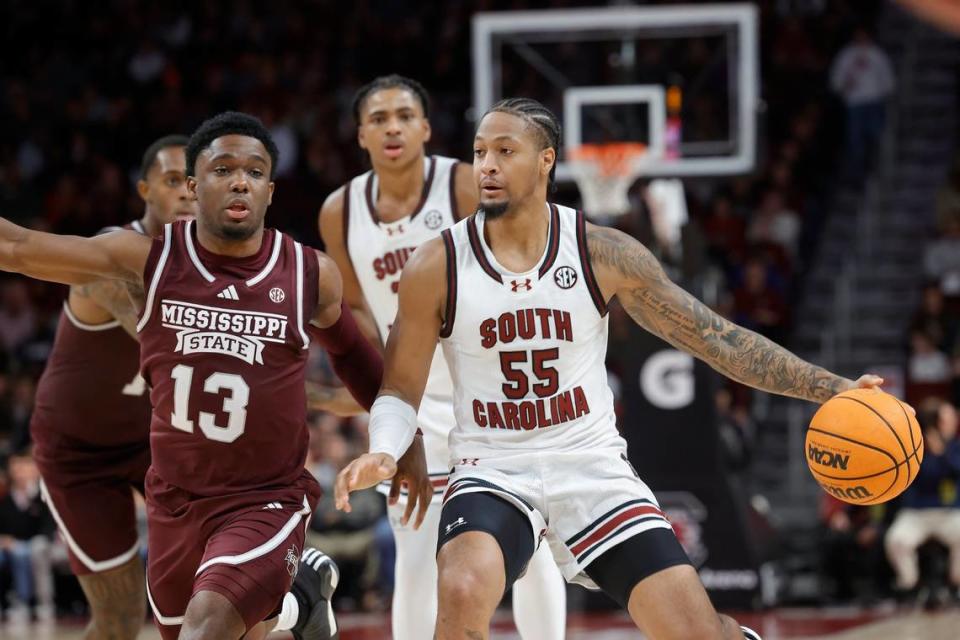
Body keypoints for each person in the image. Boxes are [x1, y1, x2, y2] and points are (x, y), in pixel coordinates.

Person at [334, 98, 891, 640]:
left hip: (591, 468)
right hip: (491, 468)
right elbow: (398, 388)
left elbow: (717, 340)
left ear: (546, 160)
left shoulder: (601, 252)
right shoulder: (436, 264)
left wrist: (831, 387)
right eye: (480, 152)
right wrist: (384, 447)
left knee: (693, 630)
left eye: (506, 150)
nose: (488, 166)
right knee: (459, 589)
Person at [0, 111, 432, 640]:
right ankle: (298, 603)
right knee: (222, 629)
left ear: (270, 190)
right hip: (175, 499)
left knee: (206, 630)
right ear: (192, 184)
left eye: (253, 172)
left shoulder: (308, 272)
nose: (239, 181)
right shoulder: (148, 261)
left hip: (265, 498)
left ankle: (290, 595)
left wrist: (405, 441)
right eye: (222, 168)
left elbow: (357, 360)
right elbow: (19, 249)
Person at [317, 74, 566, 640]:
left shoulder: (460, 183)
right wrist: (378, 399)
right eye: (379, 119)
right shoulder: (340, 211)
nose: (393, 127)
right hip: (413, 399)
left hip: (490, 391)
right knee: (415, 551)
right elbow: (355, 311)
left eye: (404, 116)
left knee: (529, 546)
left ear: (425, 128)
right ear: (361, 135)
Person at [27, 134, 193, 639]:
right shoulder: (108, 257)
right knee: (121, 616)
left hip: (157, 446)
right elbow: (165, 337)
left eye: (194, 182)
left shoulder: (214, 263)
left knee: (217, 586)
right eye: (172, 182)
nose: (187, 193)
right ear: (145, 190)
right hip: (79, 454)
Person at [829, 27, 895, 183]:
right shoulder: (846, 55)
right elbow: (836, 81)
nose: (862, 38)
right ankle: (857, 175)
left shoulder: (877, 55)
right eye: (859, 35)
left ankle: (878, 170)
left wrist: (882, 93)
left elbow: (888, 79)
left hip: (874, 102)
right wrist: (844, 86)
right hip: (855, 104)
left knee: (877, 137)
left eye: (864, 35)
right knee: (855, 140)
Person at [0, 452, 56, 623]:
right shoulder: (5, 495)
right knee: (18, 552)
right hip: (9, 544)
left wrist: (33, 495)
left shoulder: (41, 494)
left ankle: (41, 603)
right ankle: (18, 603)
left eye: (25, 467)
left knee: (30, 550)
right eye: (16, 468)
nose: (20, 472)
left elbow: (48, 525)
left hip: (37, 542)